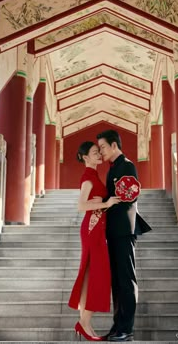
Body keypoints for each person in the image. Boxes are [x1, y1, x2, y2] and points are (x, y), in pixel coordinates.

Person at [97, 129, 151, 342]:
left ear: (114, 146)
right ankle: (118, 325)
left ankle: (126, 328)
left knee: (127, 280)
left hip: (124, 230)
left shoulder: (127, 165)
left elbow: (129, 197)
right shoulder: (112, 169)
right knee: (117, 281)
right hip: (113, 231)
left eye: (102, 147)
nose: (100, 152)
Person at [68, 141, 120, 341]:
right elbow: (80, 205)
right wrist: (106, 203)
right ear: (85, 157)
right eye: (94, 152)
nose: (99, 154)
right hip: (92, 230)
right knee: (97, 275)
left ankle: (85, 323)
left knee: (90, 275)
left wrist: (103, 204)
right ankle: (84, 322)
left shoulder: (95, 176)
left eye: (99, 152)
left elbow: (91, 203)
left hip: (97, 229)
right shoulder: (88, 177)